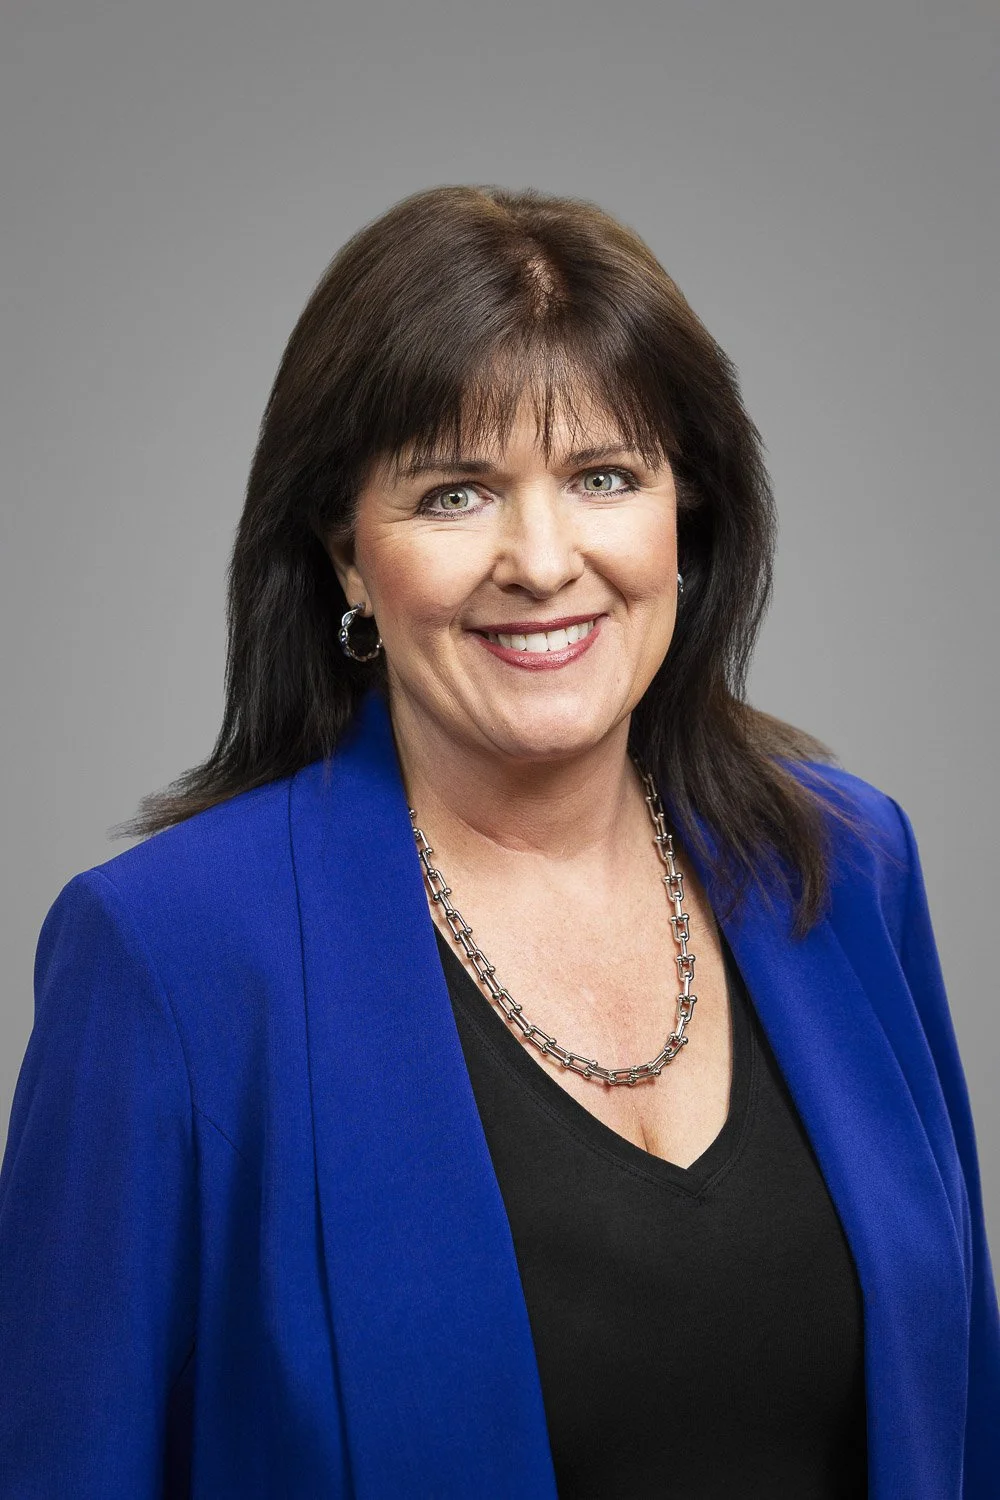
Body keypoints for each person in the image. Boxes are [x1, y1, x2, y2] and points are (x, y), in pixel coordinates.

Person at [0, 184, 997, 1500]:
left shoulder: (848, 868)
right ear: (348, 558)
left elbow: (961, 1415)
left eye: (603, 477)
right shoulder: (169, 960)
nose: (542, 559)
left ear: (684, 519)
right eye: (456, 493)